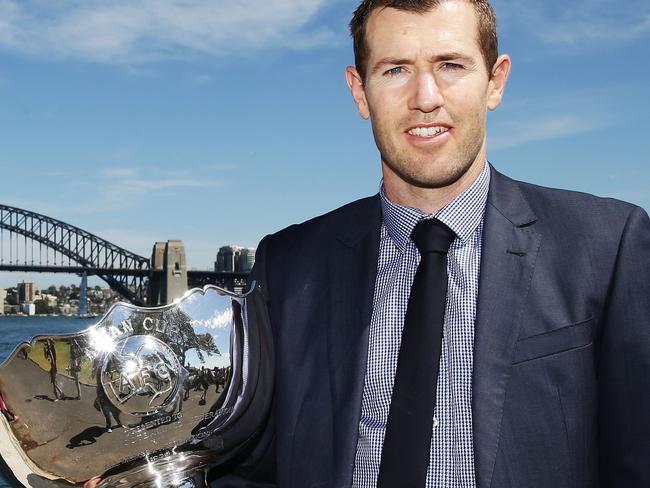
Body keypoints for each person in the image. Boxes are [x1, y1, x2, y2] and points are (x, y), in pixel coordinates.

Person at [208, 0, 650, 487]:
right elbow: (249, 468)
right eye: (396, 69)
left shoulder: (607, 245)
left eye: (451, 65)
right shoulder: (287, 266)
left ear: (495, 81)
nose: (425, 96)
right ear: (360, 92)